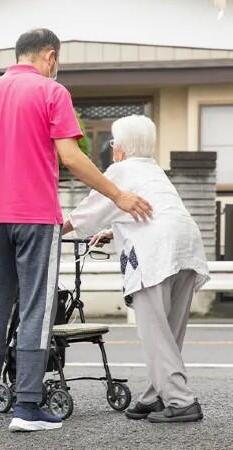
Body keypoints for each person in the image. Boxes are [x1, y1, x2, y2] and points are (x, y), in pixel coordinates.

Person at [0, 28, 152, 432]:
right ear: (49, 55)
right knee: (35, 308)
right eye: (56, 61)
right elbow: (71, 158)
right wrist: (118, 195)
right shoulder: (51, 92)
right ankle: (27, 408)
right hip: (36, 219)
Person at [63, 115, 209, 423]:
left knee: (155, 332)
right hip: (186, 246)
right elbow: (152, 212)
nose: (112, 148)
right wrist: (113, 232)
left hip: (155, 253)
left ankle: (181, 401)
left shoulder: (121, 169)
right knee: (169, 331)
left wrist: (48, 231)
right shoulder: (154, 171)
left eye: (113, 143)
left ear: (121, 148)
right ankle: (156, 395)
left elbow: (87, 213)